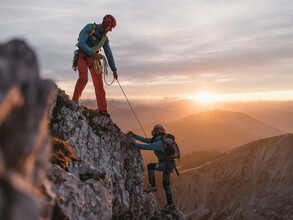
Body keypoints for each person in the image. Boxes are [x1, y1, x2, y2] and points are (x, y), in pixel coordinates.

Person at [72, 14, 118, 117]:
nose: (110, 30)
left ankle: (103, 110)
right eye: (110, 27)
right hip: (82, 56)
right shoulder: (90, 27)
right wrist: (94, 54)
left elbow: (109, 53)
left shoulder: (104, 39)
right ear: (106, 24)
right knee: (83, 79)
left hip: (93, 59)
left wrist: (114, 70)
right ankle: (74, 101)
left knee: (99, 84)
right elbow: (81, 43)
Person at [126, 124, 176, 211]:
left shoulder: (158, 143)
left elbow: (147, 146)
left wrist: (133, 144)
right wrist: (135, 136)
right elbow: (147, 140)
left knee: (151, 166)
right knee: (166, 184)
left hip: (166, 164)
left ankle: (153, 186)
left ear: (157, 132)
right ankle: (170, 204)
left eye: (154, 130)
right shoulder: (159, 140)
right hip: (169, 164)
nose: (152, 131)